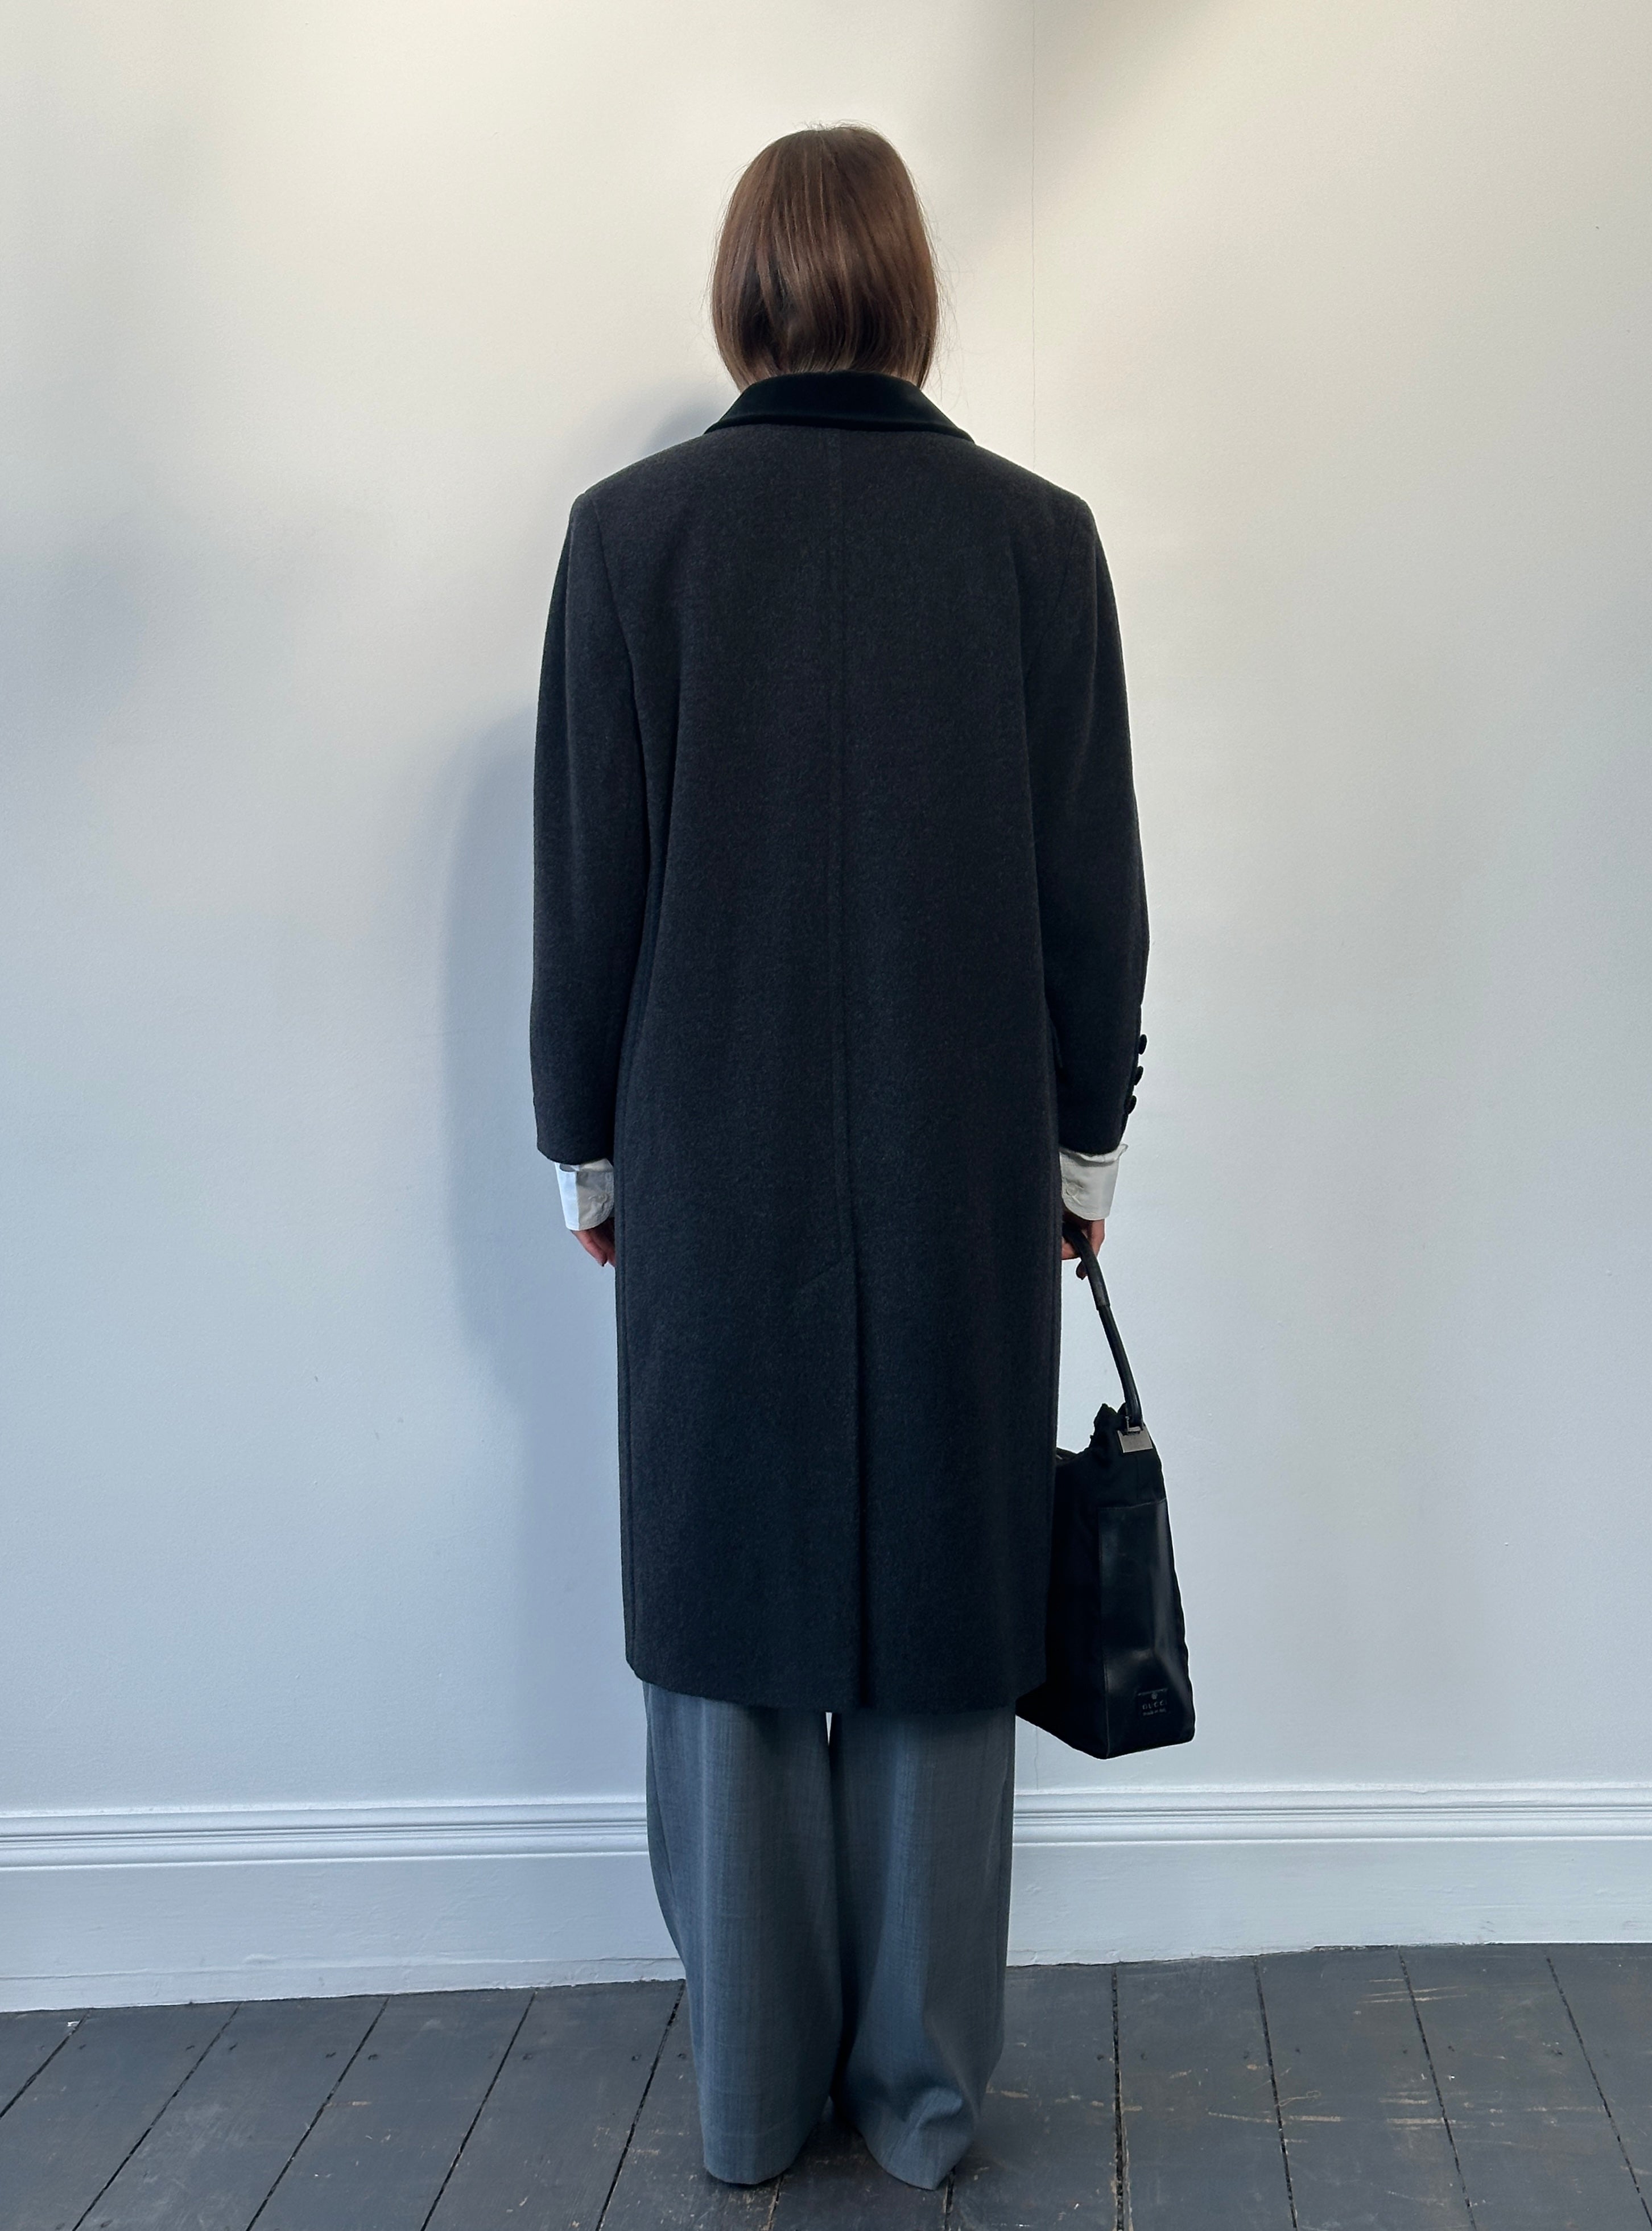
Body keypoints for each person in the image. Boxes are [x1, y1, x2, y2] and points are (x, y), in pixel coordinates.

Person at [530, 123, 1147, 2192]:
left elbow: (588, 886)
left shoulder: (631, 538)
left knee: (729, 1608)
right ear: (910, 287)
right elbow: (1093, 891)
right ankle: (924, 2102)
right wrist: (1084, 1151)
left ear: (744, 289)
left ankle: (749, 2098)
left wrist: (587, 1156)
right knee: (942, 1611)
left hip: (708, 1160)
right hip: (968, 1160)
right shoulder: (1037, 542)